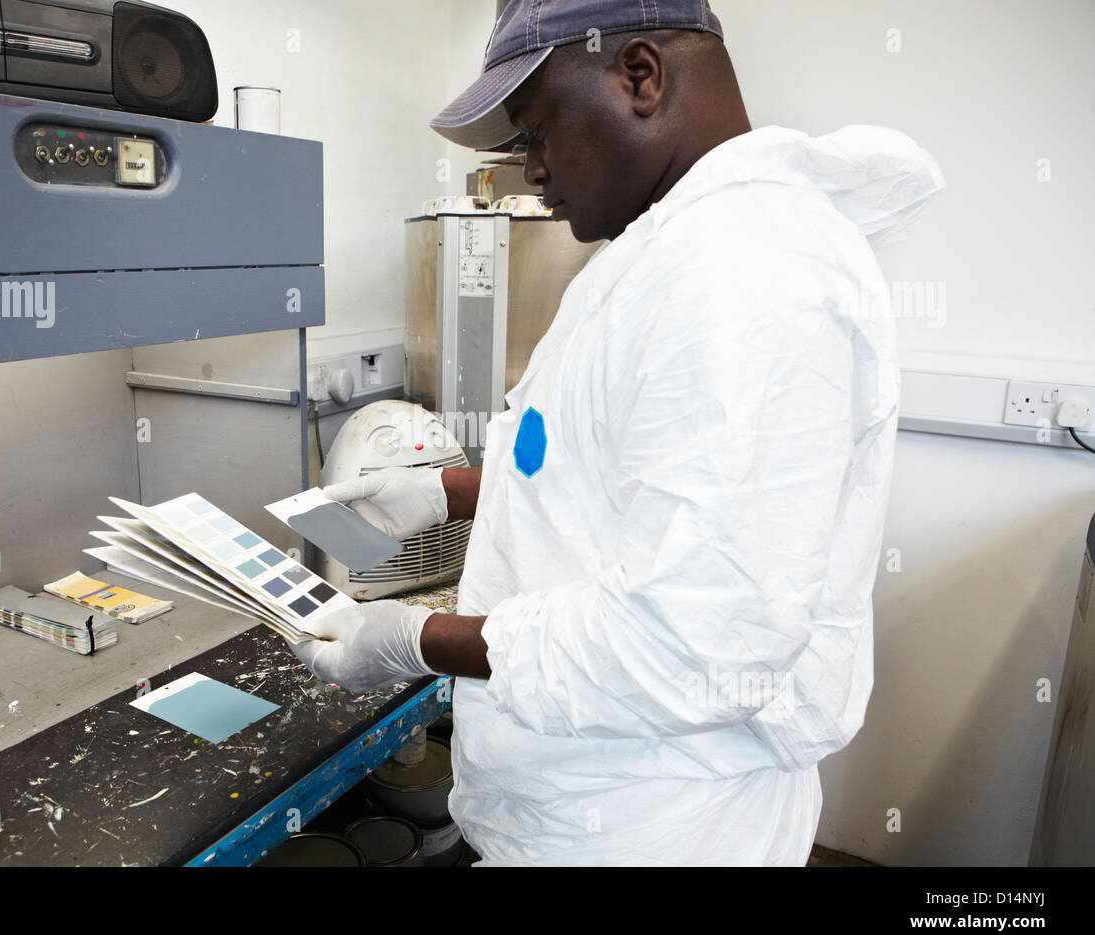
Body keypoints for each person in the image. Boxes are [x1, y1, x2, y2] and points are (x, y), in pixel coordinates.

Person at [291, 0, 944, 865]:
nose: (530, 171)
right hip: (592, 800)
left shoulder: (743, 274)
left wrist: (416, 641)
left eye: (537, 131)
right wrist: (444, 493)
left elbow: (691, 644)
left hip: (651, 823)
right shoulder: (671, 254)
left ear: (640, 76)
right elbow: (608, 486)